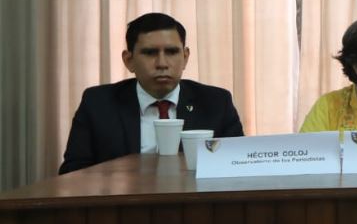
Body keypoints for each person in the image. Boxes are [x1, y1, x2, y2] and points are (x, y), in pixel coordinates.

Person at [59, 12, 244, 174]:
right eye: (150, 53)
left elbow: (238, 165)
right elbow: (73, 171)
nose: (162, 63)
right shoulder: (98, 104)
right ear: (129, 60)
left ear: (185, 57)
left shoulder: (216, 103)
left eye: (171, 52)